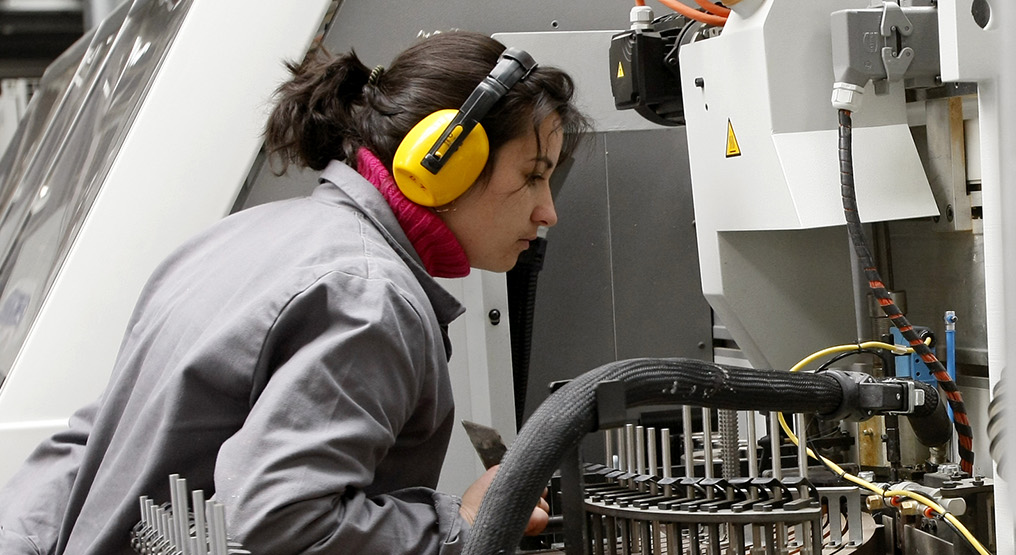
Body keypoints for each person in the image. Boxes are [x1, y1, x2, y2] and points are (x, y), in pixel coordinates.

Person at [0, 30, 589, 554]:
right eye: (533, 175)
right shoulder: (369, 299)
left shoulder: (246, 235)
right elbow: (283, 516)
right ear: (443, 163)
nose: (547, 212)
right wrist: (461, 525)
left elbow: (90, 438)